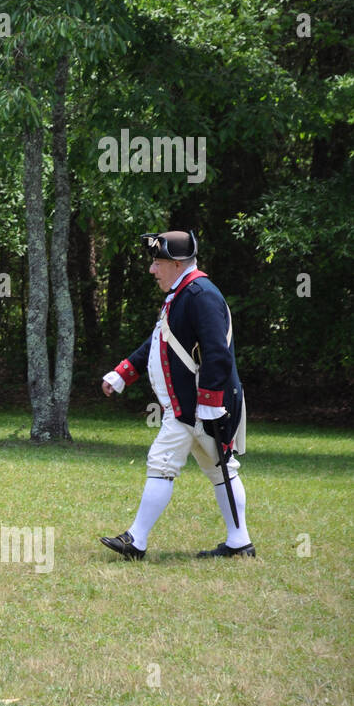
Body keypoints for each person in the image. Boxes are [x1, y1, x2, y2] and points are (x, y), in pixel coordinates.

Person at [99, 230, 253, 560]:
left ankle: (135, 541)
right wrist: (123, 373)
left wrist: (212, 404)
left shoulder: (200, 295)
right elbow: (158, 343)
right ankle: (239, 542)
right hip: (191, 406)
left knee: (163, 463)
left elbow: (217, 353)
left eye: (157, 263)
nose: (152, 270)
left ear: (178, 263)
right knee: (221, 470)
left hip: (196, 407)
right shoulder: (182, 295)